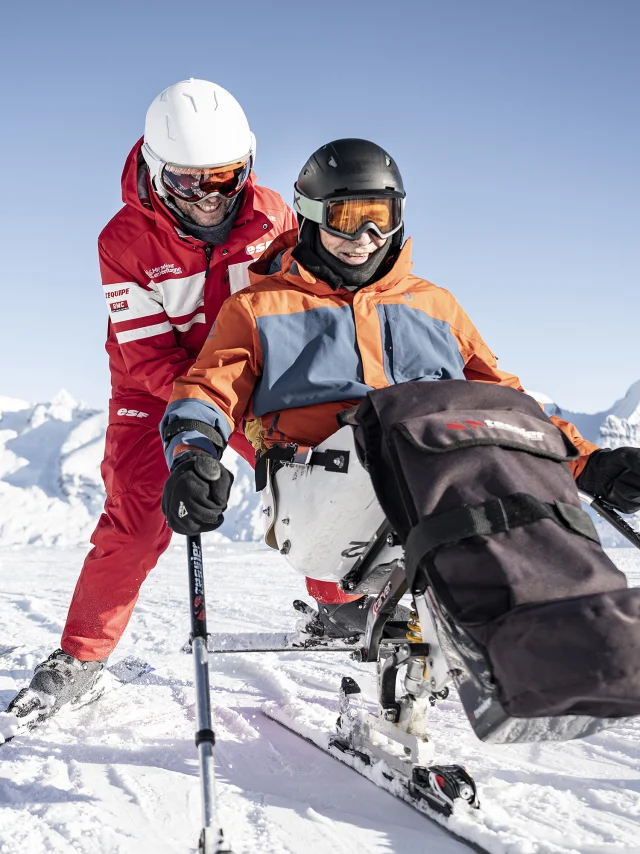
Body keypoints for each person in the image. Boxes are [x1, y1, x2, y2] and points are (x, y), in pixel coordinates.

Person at [159, 137, 640, 641]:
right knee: (397, 426)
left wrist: (588, 462)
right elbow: (209, 390)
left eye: (380, 217)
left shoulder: (434, 304)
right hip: (321, 490)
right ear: (309, 217)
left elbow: (502, 401)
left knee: (487, 448)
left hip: (432, 476)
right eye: (347, 219)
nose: (365, 237)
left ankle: (562, 640)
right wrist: (193, 457)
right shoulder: (260, 307)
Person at [7, 79, 296, 725]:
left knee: (310, 480)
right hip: (153, 387)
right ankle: (81, 657)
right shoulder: (124, 240)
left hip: (248, 385)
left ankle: (341, 600)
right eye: (190, 183)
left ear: (247, 165)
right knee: (136, 520)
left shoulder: (273, 217)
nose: (210, 197)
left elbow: (297, 308)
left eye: (224, 178)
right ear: (158, 171)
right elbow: (147, 354)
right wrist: (200, 425)